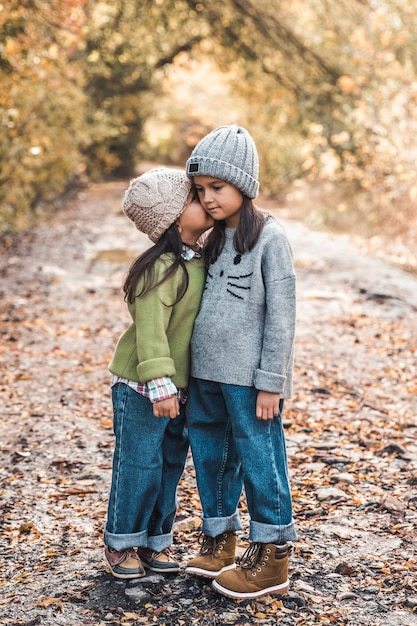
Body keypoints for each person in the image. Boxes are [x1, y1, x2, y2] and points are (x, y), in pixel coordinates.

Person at [184, 125, 298, 599]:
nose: (208, 199)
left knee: (259, 458)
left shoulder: (270, 238)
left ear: (243, 186)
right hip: (205, 374)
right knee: (211, 457)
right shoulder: (211, 240)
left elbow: (282, 316)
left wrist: (272, 380)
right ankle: (221, 538)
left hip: (250, 380)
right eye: (201, 190)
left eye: (218, 188)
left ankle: (272, 554)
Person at [104, 167, 214, 579]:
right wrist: (159, 384)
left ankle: (155, 540)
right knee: (139, 463)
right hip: (143, 383)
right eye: (193, 197)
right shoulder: (159, 268)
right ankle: (121, 542)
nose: (203, 201)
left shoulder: (201, 260)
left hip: (179, 386)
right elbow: (150, 333)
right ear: (172, 217)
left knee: (170, 463)